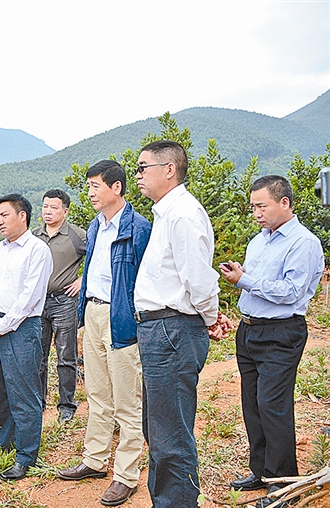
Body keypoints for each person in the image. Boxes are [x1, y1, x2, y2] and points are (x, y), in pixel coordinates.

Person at [132, 140, 232, 507]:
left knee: (170, 434)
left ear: (169, 170)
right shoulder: (167, 213)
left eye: (143, 167)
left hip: (172, 330)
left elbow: (198, 279)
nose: (138, 175)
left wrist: (210, 317)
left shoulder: (183, 215)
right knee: (158, 428)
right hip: (161, 330)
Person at [221, 175, 323, 508]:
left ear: (284, 202)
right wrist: (243, 276)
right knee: (252, 403)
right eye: (253, 207)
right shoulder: (259, 241)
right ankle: (262, 472)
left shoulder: (303, 243)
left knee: (272, 405)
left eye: (262, 206)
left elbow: (292, 292)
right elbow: (258, 282)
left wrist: (245, 280)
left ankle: (282, 484)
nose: (256, 213)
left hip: (281, 333)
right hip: (250, 330)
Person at [56, 161, 151, 506]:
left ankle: (126, 476)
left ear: (117, 188)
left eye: (96, 186)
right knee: (97, 393)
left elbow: (145, 277)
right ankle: (95, 460)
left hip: (121, 316)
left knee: (127, 399)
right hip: (93, 312)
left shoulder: (139, 227)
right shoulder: (96, 226)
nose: (90, 192)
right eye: (89, 186)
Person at [0, 193, 53, 481]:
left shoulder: (37, 250)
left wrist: (3, 326)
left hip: (21, 328)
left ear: (23, 216)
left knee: (24, 393)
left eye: (4, 215)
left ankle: (26, 455)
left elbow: (30, 297)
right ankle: (2, 442)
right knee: (1, 391)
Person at [32, 189, 86, 421]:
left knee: (66, 355)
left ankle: (67, 406)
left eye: (54, 207)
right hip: (37, 303)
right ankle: (38, 404)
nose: (48, 211)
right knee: (38, 356)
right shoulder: (34, 235)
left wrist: (82, 280)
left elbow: (99, 258)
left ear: (65, 211)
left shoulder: (77, 235)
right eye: (45, 206)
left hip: (64, 301)